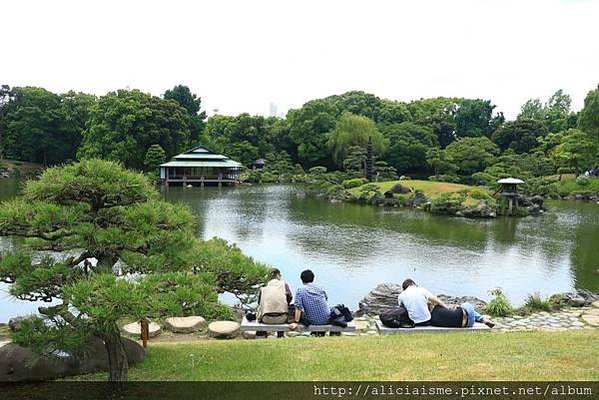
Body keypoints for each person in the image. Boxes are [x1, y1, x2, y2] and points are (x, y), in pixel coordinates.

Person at [289, 269, 334, 336]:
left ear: (302, 280)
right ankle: (319, 334)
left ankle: (316, 334)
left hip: (312, 321)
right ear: (313, 278)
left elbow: (298, 307)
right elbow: (326, 299)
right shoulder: (321, 288)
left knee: (295, 310)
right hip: (326, 318)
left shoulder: (300, 290)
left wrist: (296, 322)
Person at [256, 268, 293, 338]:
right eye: (280, 275)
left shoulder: (264, 285)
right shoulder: (284, 285)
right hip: (282, 319)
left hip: (266, 319)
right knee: (282, 308)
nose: (281, 277)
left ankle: (260, 337)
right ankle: (280, 336)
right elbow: (290, 298)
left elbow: (259, 302)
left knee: (261, 310)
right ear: (277, 275)